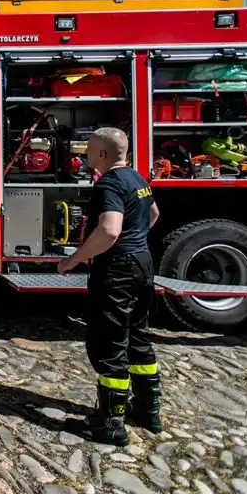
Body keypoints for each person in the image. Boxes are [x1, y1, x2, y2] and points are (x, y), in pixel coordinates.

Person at [57, 127, 161, 446]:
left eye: (88, 149)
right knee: (138, 336)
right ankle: (147, 409)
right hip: (142, 264)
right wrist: (135, 238)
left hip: (118, 270)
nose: (84, 154)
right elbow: (154, 215)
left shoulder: (110, 183)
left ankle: (110, 423)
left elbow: (110, 230)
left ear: (102, 154)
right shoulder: (137, 178)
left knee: (109, 341)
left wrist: (74, 259)